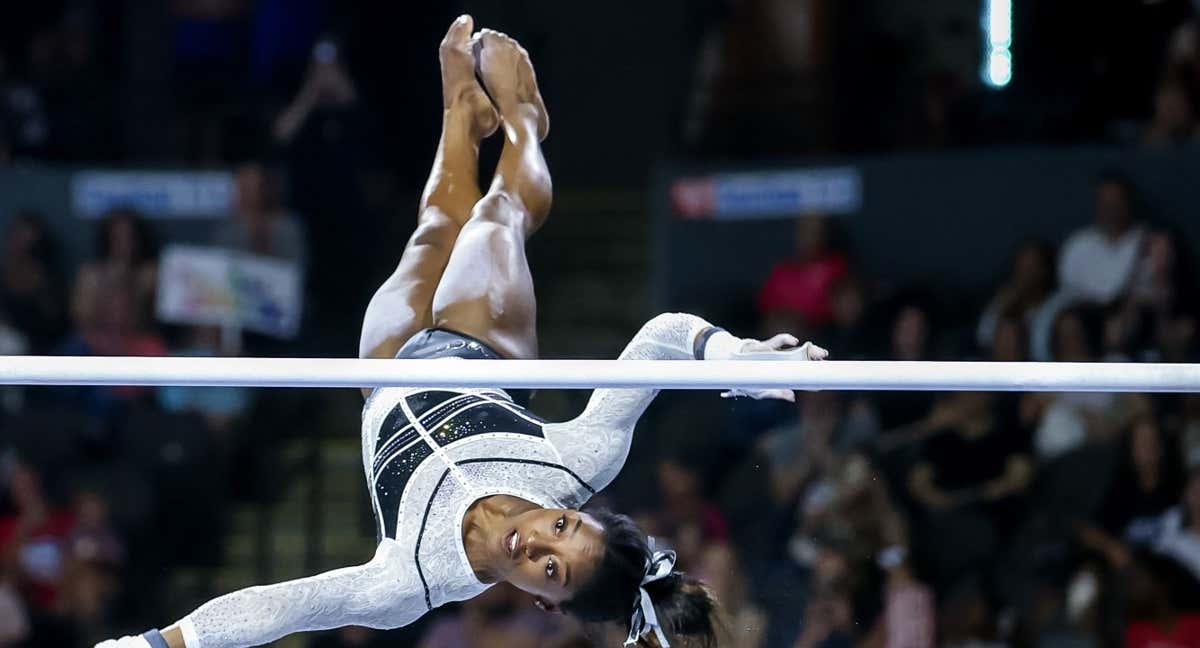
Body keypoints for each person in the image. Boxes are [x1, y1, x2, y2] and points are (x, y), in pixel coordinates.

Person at [97, 16, 825, 648]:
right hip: (482, 347)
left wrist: (158, 642)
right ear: (574, 513)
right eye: (563, 532)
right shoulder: (579, 462)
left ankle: (457, 112)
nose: (537, 540)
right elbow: (663, 338)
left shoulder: (410, 580)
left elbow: (286, 606)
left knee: (432, 232)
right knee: (495, 216)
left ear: (545, 601)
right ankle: (527, 124)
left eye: (549, 568)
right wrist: (738, 359)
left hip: (383, 380)